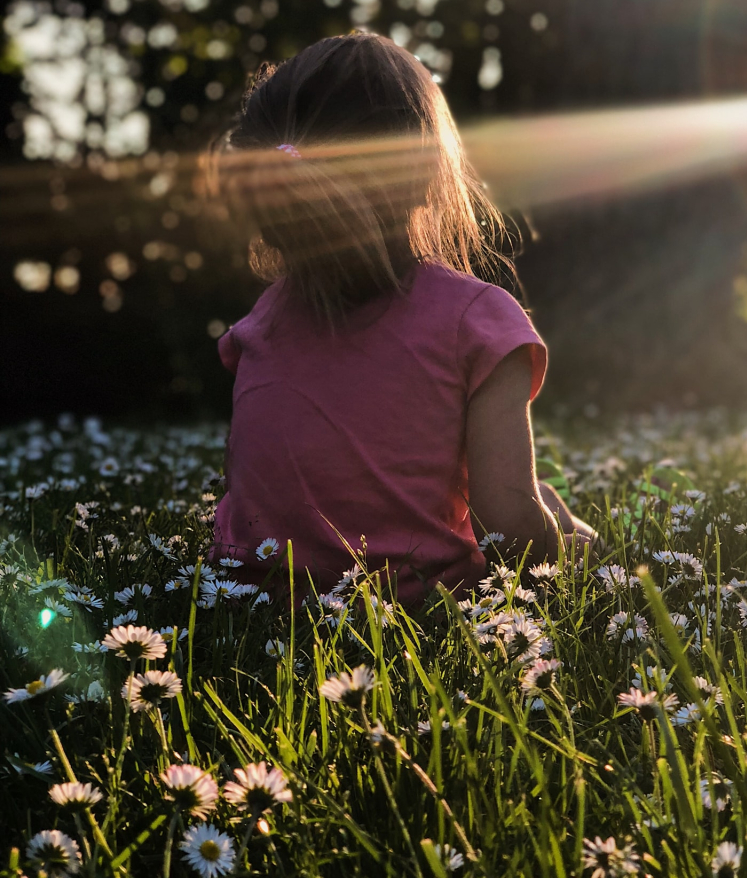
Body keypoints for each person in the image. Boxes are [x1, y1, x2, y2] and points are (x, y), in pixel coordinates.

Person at [206, 32, 592, 606]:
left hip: (255, 602)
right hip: (415, 611)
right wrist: (576, 547)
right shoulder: (477, 322)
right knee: (550, 513)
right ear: (422, 171)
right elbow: (508, 528)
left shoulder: (261, 323)